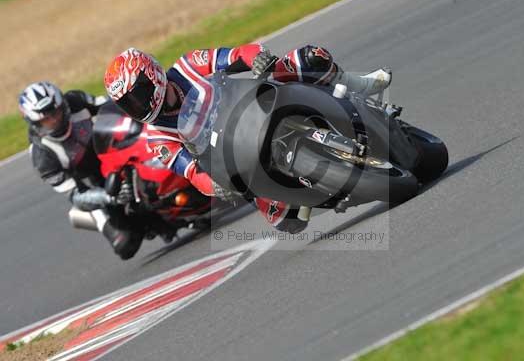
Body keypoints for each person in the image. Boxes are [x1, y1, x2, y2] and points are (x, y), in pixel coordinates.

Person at [103, 44, 391, 232]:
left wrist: (258, 58)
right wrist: (216, 186)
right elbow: (192, 172)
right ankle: (333, 191)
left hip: (256, 102)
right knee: (287, 221)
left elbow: (238, 54)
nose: (138, 106)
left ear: (152, 75)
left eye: (138, 95)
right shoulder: (156, 137)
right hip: (237, 153)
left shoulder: (188, 65)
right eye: (129, 104)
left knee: (306, 59)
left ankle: (358, 86)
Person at [18, 81, 143, 259]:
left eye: (56, 113)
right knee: (125, 245)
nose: (54, 120)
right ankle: (96, 218)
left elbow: (111, 105)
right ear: (35, 123)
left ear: (63, 105)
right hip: (91, 186)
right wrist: (110, 196)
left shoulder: (75, 100)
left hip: (111, 153)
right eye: (46, 119)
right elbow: (75, 196)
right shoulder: (42, 155)